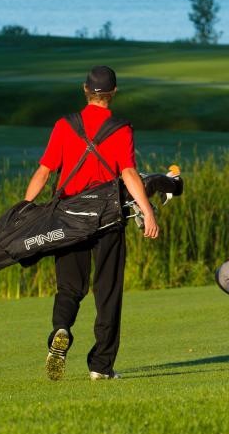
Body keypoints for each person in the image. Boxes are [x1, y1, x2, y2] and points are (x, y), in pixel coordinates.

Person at [24, 65, 159, 381]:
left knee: (70, 286)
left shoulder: (64, 125)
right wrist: (147, 211)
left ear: (85, 90)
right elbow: (127, 173)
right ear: (113, 93)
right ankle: (101, 366)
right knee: (107, 291)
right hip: (107, 218)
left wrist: (25, 210)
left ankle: (61, 329)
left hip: (69, 215)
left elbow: (44, 172)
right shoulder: (121, 128)